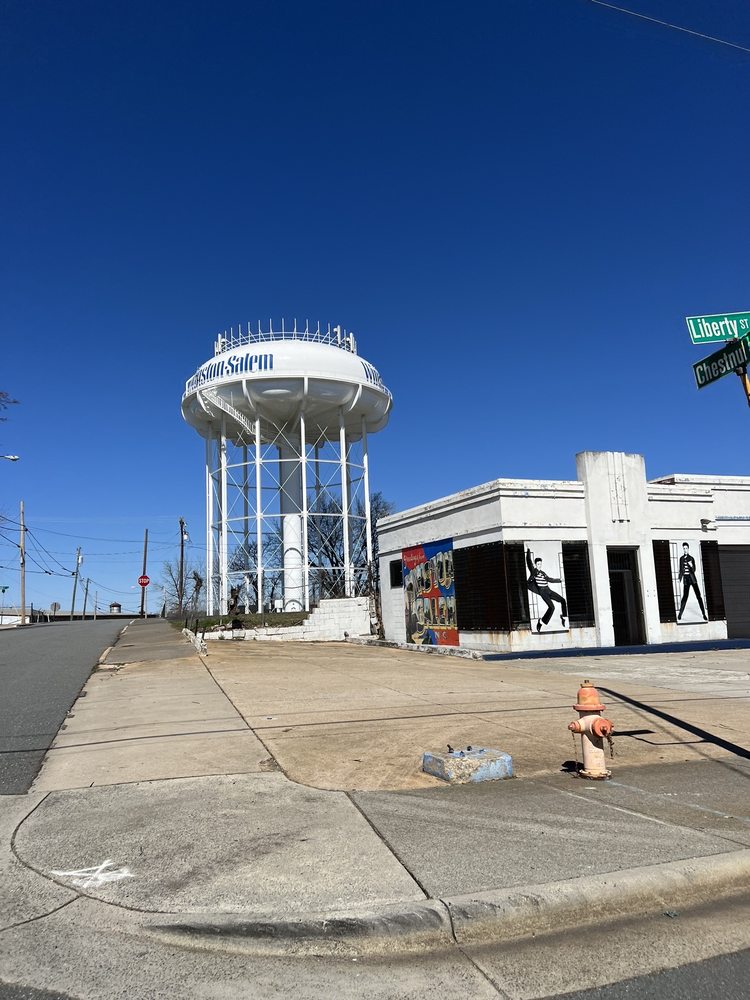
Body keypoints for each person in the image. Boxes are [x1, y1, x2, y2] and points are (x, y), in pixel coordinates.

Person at [526, 548, 567, 632]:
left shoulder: (543, 573)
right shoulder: (534, 571)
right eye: (538, 564)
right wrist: (528, 550)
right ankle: (541, 621)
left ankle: (564, 617)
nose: (539, 566)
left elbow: (550, 579)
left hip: (548, 590)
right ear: (535, 564)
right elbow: (529, 561)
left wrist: (560, 580)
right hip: (543, 592)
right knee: (552, 607)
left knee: (563, 600)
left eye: (540, 564)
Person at [678, 543, 707, 621]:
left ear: (688, 549)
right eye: (684, 548)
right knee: (685, 597)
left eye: (686, 548)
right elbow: (681, 570)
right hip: (686, 579)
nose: (685, 550)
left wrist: (691, 565)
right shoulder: (681, 559)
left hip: (692, 579)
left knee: (699, 596)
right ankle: (680, 614)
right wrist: (679, 579)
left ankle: (704, 614)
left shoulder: (691, 558)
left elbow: (694, 570)